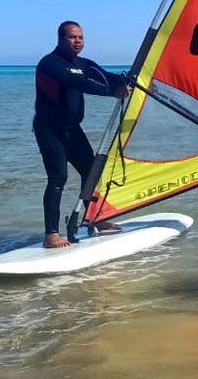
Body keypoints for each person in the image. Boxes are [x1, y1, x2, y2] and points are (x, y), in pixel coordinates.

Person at [34, 21, 130, 249]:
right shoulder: (49, 64)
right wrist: (111, 93)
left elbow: (107, 77)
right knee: (58, 178)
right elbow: (75, 82)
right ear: (60, 39)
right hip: (49, 129)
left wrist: (130, 80)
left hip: (72, 129)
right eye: (72, 37)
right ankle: (51, 235)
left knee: (91, 173)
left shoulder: (83, 63)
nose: (78, 41)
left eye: (81, 37)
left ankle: (95, 219)